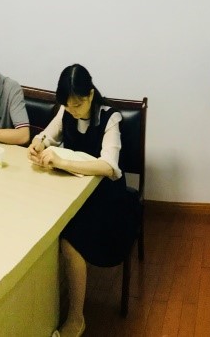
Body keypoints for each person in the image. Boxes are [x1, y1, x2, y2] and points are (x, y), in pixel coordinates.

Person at [27, 65, 138, 337]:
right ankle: (43, 304)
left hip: (108, 199)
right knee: (41, 221)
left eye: (78, 104)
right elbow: (48, 136)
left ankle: (76, 318)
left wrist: (62, 161)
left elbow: (108, 166)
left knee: (70, 239)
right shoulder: (66, 110)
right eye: (68, 105)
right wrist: (38, 144)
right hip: (74, 190)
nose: (73, 110)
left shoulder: (110, 118)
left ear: (90, 94)